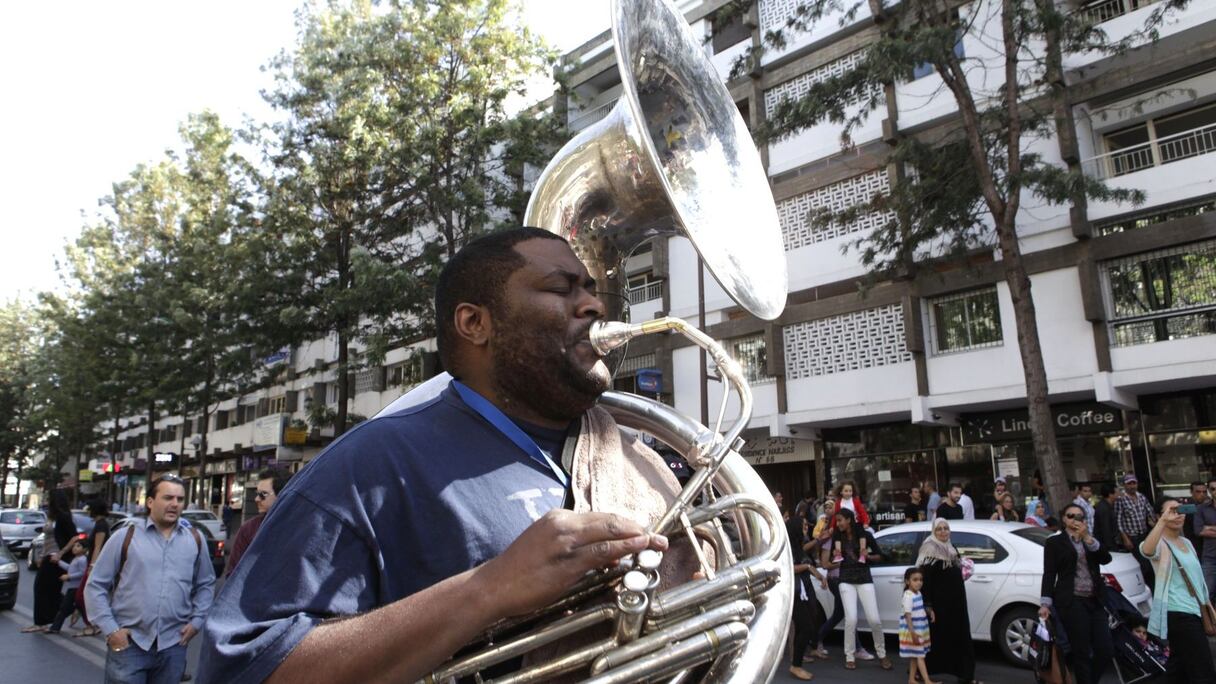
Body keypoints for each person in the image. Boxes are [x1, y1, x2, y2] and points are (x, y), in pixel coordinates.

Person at [198, 228, 690, 683]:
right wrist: (489, 588)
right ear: (475, 323)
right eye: (562, 289)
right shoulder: (370, 464)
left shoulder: (632, 455)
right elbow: (244, 667)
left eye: (590, 290)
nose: (593, 307)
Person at [85, 475, 216, 684]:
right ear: (150, 502)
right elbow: (95, 585)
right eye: (168, 498)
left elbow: (206, 584)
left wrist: (197, 621)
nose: (174, 504)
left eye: (180, 499)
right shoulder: (126, 536)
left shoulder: (194, 539)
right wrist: (111, 630)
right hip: (130, 644)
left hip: (173, 645)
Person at [1140, 497, 1216, 683]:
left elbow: (1198, 580)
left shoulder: (1186, 542)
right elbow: (1146, 551)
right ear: (1160, 516)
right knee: (1203, 669)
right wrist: (1163, 521)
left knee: (1179, 668)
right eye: (1171, 511)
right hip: (1177, 613)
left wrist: (1209, 608)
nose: (1178, 515)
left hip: (1195, 610)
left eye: (1180, 511)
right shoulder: (1159, 542)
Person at [1040, 503, 1113, 684]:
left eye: (1079, 517)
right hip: (1072, 601)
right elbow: (1049, 573)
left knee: (1105, 649)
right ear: (1064, 519)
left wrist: (1087, 538)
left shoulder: (1089, 540)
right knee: (1081, 652)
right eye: (1070, 516)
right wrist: (1045, 603)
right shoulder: (1055, 542)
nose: (1074, 520)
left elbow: (1106, 558)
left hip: (1095, 600)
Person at [917, 518, 980, 684]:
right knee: (936, 639)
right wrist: (928, 605)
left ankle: (965, 675)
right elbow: (926, 579)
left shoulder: (951, 548)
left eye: (946, 528)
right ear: (934, 531)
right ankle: (922, 673)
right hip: (939, 605)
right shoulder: (929, 549)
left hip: (956, 603)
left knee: (961, 638)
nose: (943, 532)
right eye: (939, 529)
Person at [826, 508, 890, 671]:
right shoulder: (837, 537)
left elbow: (880, 556)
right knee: (851, 619)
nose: (838, 523)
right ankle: (850, 655)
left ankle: (882, 654)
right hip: (845, 579)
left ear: (849, 520)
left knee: (874, 619)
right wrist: (834, 555)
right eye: (837, 521)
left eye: (840, 520)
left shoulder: (865, 536)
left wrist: (867, 556)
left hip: (864, 579)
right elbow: (834, 559)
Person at [23, 489, 77, 633]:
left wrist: (60, 554)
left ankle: (43, 620)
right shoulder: (51, 517)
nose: (46, 501)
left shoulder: (63, 517)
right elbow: (47, 539)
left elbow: (74, 537)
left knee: (43, 588)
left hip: (56, 558)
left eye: (48, 499)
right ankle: (60, 612)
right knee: (47, 589)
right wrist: (41, 555)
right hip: (48, 556)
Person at [224, 469, 293, 576]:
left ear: (283, 495)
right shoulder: (248, 529)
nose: (256, 499)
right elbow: (233, 573)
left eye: (263, 494)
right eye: (257, 494)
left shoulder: (303, 526)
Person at [786, 516, 822, 681]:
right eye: (804, 526)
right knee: (805, 628)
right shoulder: (788, 548)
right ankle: (796, 665)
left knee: (807, 626)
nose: (806, 528)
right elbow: (788, 568)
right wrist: (808, 567)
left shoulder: (799, 546)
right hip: (796, 593)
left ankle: (797, 663)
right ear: (795, 528)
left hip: (805, 590)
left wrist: (819, 576)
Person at [1116, 474, 1157, 590]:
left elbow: (1151, 514)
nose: (1132, 486)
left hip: (1144, 535)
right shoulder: (1121, 499)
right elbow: (1118, 521)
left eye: (1134, 483)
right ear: (1124, 485)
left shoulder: (1142, 497)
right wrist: (1125, 538)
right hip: (1132, 537)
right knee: (1141, 565)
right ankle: (1142, 588)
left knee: (1149, 563)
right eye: (1129, 483)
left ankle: (1152, 589)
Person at [899, 568, 937, 684]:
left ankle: (911, 679)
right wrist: (913, 633)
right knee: (920, 655)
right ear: (907, 581)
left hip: (920, 629)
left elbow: (919, 608)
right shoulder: (908, 596)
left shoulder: (918, 593)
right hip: (913, 631)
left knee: (915, 656)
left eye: (920, 580)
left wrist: (929, 611)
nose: (919, 582)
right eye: (915, 580)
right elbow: (908, 616)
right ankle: (927, 680)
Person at [47, 538, 89, 635]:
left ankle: (55, 627)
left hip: (77, 588)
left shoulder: (82, 560)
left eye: (78, 546)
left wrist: (69, 576)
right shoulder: (76, 559)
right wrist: (59, 562)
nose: (75, 548)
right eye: (74, 546)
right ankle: (89, 623)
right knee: (77, 607)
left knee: (64, 607)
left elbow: (83, 573)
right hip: (72, 588)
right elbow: (69, 568)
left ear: (85, 549)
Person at [1197, 476, 1216, 598]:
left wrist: (1209, 527)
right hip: (1210, 557)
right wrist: (1204, 529)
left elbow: (1204, 529)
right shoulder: (1202, 509)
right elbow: (1199, 530)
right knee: (1206, 595)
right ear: (1209, 491)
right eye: (1213, 489)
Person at [1183, 480, 1208, 555]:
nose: (1202, 494)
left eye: (1204, 492)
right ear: (1191, 492)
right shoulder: (1187, 506)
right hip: (1194, 543)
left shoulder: (1208, 504)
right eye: (1198, 492)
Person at [1093, 484, 1119, 551]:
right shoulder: (1103, 508)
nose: (1119, 493)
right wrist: (1110, 547)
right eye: (1117, 492)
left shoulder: (1108, 505)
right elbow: (1105, 529)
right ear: (1110, 494)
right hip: (1107, 546)